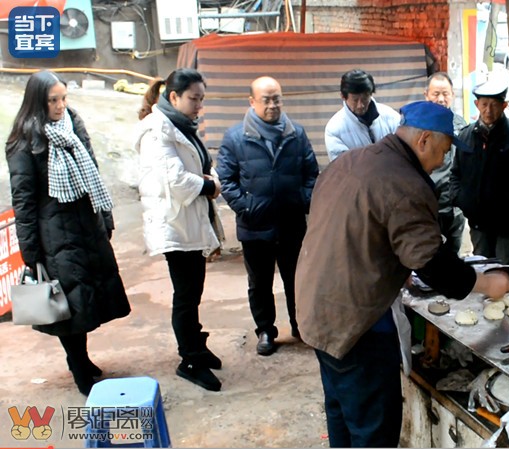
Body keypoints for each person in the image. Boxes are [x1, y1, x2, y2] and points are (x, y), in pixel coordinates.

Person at [295, 101, 509, 448]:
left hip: (316, 306)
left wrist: (393, 264)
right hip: (356, 325)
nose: (442, 162)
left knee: (342, 411)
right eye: (442, 151)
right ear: (423, 140)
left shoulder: (352, 159)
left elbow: (358, 227)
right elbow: (434, 264)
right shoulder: (405, 182)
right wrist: (488, 283)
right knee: (373, 427)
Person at [6, 70, 130, 395]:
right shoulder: (24, 141)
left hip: (85, 224)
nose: (61, 106)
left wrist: (104, 216)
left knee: (86, 299)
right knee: (67, 306)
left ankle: (83, 359)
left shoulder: (73, 126)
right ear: (38, 102)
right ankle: (78, 366)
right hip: (54, 233)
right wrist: (30, 252)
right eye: (53, 100)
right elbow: (24, 201)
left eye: (63, 98)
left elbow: (94, 173)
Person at [135, 68, 225, 392]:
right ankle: (189, 359)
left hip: (188, 220)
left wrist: (209, 180)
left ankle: (197, 347)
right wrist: (211, 186)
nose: (199, 105)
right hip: (174, 223)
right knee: (185, 296)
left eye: (201, 98)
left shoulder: (181, 125)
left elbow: (200, 163)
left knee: (193, 291)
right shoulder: (157, 130)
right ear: (174, 97)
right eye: (193, 98)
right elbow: (175, 179)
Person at [216, 76, 319, 356]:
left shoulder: (296, 134)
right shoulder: (236, 138)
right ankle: (265, 330)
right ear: (252, 102)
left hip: (291, 223)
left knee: (297, 279)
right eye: (266, 99)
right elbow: (226, 180)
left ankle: (302, 326)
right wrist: (246, 207)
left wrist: (302, 200)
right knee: (259, 283)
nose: (273, 105)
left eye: (277, 98)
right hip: (255, 226)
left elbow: (312, 173)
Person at [450, 78, 509, 265]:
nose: (489, 111)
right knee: (482, 266)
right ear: (476, 104)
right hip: (478, 221)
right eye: (484, 104)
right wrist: (461, 198)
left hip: (507, 223)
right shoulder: (466, 136)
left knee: (505, 270)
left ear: (504, 105)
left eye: (495, 105)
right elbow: (456, 173)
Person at [424, 72, 468, 255]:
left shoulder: (460, 125)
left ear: (453, 96)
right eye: (436, 94)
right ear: (426, 95)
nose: (441, 99)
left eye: (445, 94)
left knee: (454, 256)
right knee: (431, 256)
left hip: (455, 208)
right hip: (430, 206)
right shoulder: (418, 127)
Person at [324, 69, 400, 162]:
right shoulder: (334, 129)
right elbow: (342, 168)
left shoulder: (391, 117)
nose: (361, 105)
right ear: (343, 97)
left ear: (371, 94)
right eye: (355, 100)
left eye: (365, 98)